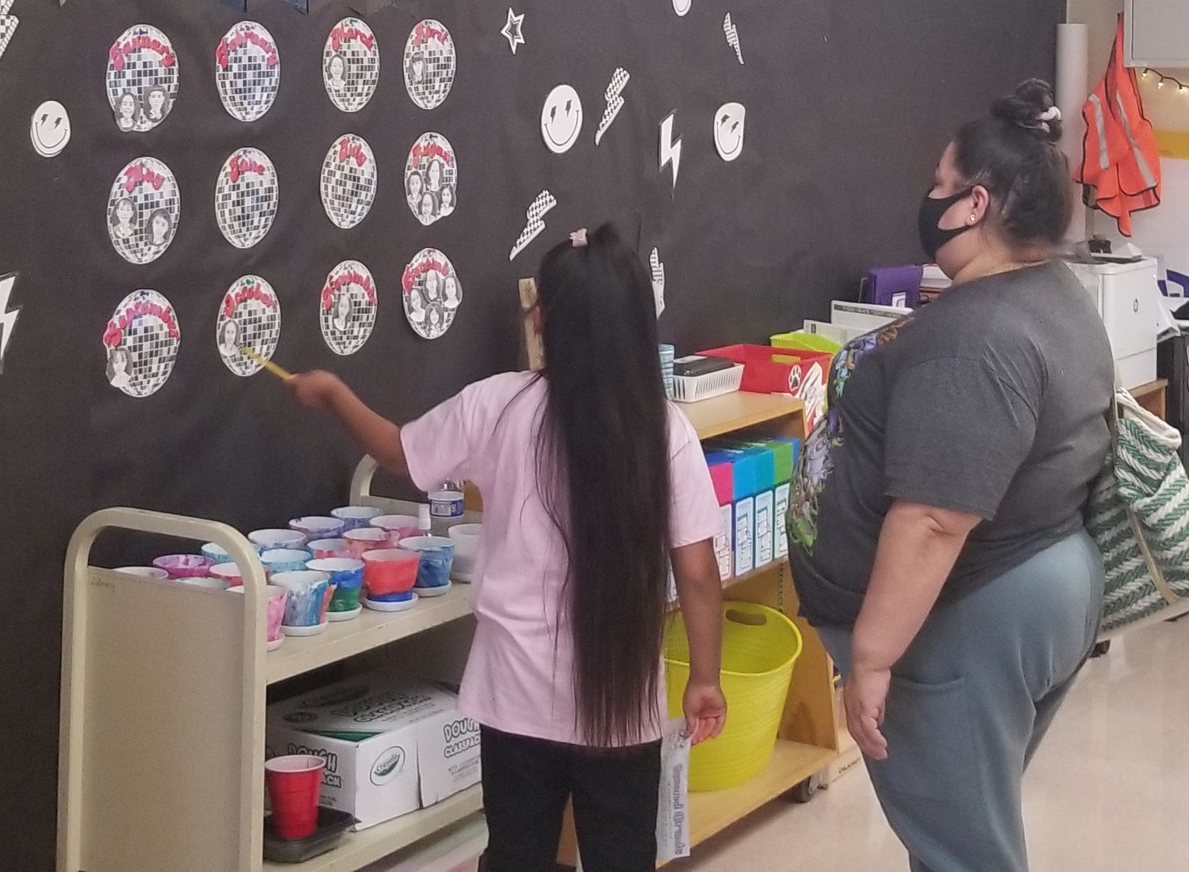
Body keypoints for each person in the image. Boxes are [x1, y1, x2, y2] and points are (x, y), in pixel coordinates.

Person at [286, 224, 728, 871]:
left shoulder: (497, 405)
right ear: (638, 321)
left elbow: (398, 449)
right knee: (622, 856)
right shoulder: (666, 431)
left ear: (543, 319)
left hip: (513, 698)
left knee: (517, 855)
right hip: (622, 706)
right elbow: (696, 571)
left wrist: (332, 394)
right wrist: (706, 679)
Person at [788, 79, 1113, 872]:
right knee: (962, 825)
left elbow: (934, 519)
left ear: (974, 204)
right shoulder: (1049, 293)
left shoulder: (979, 337)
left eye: (939, 183)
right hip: (1025, 587)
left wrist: (870, 657)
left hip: (967, 616)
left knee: (964, 849)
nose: (927, 196)